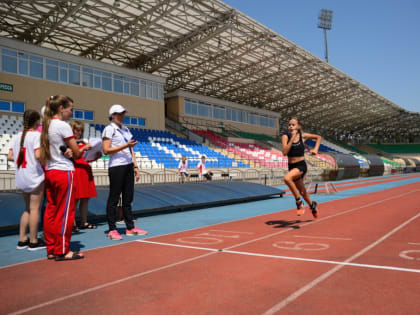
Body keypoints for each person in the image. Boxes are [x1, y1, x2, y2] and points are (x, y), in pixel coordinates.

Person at [40, 95, 86, 261]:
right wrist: (78, 148)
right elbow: (78, 152)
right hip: (64, 171)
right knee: (66, 212)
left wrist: (67, 150)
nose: (71, 113)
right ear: (61, 108)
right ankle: (62, 250)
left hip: (51, 171)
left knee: (51, 211)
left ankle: (52, 248)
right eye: (70, 109)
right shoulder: (63, 126)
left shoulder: (46, 125)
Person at [102, 104, 148, 240]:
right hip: (116, 166)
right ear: (112, 115)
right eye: (118, 114)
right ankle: (112, 229)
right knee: (114, 198)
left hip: (128, 166)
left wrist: (135, 166)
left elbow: (131, 149)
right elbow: (106, 150)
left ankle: (130, 227)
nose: (121, 116)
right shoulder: (109, 129)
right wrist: (125, 145)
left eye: (123, 114)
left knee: (128, 198)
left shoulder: (126, 129)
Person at [8, 109, 46, 250]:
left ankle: (22, 239)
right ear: (37, 121)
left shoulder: (18, 136)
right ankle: (34, 241)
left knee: (27, 209)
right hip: (34, 176)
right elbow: (38, 155)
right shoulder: (36, 135)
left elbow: (10, 156)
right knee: (35, 209)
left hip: (22, 175)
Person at [281, 117, 321, 218]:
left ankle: (299, 203)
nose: (290, 126)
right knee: (303, 192)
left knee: (287, 178)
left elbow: (318, 137)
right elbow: (285, 152)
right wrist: (292, 139)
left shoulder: (303, 136)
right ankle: (312, 206)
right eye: (289, 125)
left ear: (298, 126)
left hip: (301, 165)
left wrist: (315, 149)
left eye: (293, 125)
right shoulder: (285, 137)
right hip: (291, 166)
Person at [70, 120, 99, 230]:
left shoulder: (83, 143)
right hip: (76, 171)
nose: (79, 132)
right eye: (77, 130)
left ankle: (84, 222)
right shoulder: (69, 143)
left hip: (85, 171)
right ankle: (71, 224)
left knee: (86, 198)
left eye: (81, 130)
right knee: (74, 199)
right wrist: (83, 149)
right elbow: (72, 157)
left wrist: (95, 156)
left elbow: (86, 158)